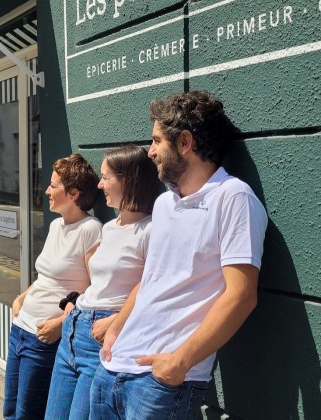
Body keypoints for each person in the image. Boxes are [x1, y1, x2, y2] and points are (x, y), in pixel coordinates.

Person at [90, 91, 268, 419]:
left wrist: (179, 362)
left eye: (157, 140)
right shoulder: (164, 202)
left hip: (162, 383)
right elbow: (152, 278)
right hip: (113, 366)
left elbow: (242, 296)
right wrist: (117, 328)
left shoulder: (233, 198)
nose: (151, 151)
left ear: (185, 142)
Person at [44, 145, 160, 420]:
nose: (99, 184)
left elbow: (152, 289)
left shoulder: (151, 230)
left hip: (103, 338)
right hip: (75, 331)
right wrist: (75, 305)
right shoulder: (108, 228)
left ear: (128, 180)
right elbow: (100, 281)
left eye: (106, 177)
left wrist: (116, 321)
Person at [3, 154, 102, 420]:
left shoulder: (90, 230)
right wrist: (21, 298)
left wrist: (60, 323)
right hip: (20, 328)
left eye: (53, 185)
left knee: (27, 414)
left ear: (73, 193)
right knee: (10, 411)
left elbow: (95, 291)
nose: (47, 190)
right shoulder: (57, 225)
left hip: (43, 338)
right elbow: (47, 276)